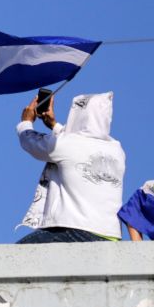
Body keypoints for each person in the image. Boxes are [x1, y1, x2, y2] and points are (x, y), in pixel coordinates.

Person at [16, 92, 125, 243]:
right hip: (109, 234)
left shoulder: (67, 143)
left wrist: (25, 122)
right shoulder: (116, 149)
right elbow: (78, 144)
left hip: (75, 230)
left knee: (19, 255)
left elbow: (31, 142)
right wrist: (54, 126)